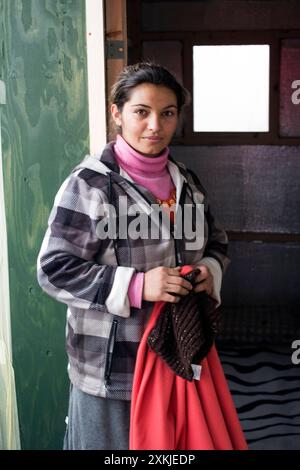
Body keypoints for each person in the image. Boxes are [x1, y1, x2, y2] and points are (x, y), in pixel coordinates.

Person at [37, 62, 243, 450]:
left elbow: (217, 241)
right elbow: (53, 270)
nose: (155, 126)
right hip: (113, 371)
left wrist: (207, 270)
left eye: (167, 113)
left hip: (179, 359)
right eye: (141, 112)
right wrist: (136, 285)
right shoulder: (90, 185)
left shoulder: (187, 182)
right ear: (117, 113)